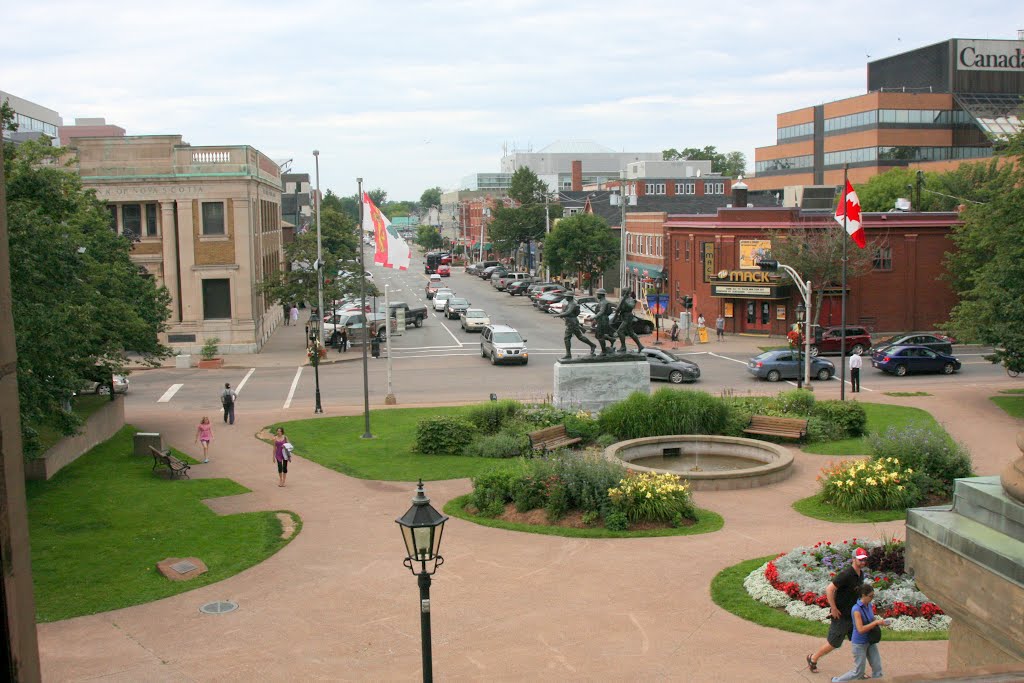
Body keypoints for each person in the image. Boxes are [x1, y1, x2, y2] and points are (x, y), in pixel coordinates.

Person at [807, 546, 870, 673]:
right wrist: (833, 608)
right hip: (842, 615)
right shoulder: (846, 574)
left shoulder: (860, 574)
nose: (863, 562)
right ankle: (813, 658)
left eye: (864, 560)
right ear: (853, 559)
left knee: (860, 642)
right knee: (834, 643)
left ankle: (860, 671)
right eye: (860, 560)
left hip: (854, 615)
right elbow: (829, 589)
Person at [830, 584, 886, 681]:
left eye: (873, 596)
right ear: (863, 595)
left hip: (870, 640)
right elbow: (860, 629)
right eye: (870, 596)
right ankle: (838, 681)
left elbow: (871, 619)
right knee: (858, 672)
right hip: (860, 643)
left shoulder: (869, 605)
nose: (872, 598)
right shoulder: (856, 610)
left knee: (877, 667)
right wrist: (876, 623)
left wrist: (880, 622)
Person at [556, 292, 596, 360]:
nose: (565, 297)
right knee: (580, 337)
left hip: (572, 323)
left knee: (567, 338)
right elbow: (566, 312)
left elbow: (568, 312)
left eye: (567, 296)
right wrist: (562, 313)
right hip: (570, 322)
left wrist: (560, 315)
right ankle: (592, 345)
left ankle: (568, 355)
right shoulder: (569, 303)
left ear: (570, 297)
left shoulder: (573, 304)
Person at [612, 288, 645, 353]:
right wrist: (617, 311)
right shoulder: (622, 299)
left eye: (623, 292)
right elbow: (619, 308)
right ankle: (640, 345)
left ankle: (623, 347)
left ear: (626, 292)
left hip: (628, 317)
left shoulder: (631, 299)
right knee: (630, 332)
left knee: (620, 331)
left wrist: (624, 301)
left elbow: (631, 307)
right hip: (623, 316)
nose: (622, 293)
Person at [592, 289, 617, 355]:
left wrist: (594, 317)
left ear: (601, 295)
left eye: (598, 294)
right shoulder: (602, 302)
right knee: (599, 335)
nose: (597, 295)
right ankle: (611, 340)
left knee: (599, 335)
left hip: (603, 320)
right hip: (602, 319)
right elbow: (610, 311)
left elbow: (601, 312)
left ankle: (604, 350)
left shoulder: (604, 302)